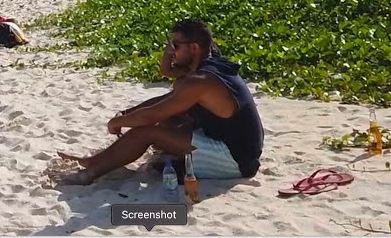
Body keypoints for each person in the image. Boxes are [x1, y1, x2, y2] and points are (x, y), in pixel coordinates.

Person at [56, 19, 264, 185]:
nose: (171, 50)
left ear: (194, 48)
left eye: (175, 45)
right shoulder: (207, 65)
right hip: (232, 144)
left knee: (146, 131)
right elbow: (167, 77)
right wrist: (128, 112)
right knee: (167, 121)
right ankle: (98, 161)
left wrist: (116, 123)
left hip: (236, 160)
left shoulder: (201, 81)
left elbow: (152, 114)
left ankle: (90, 173)